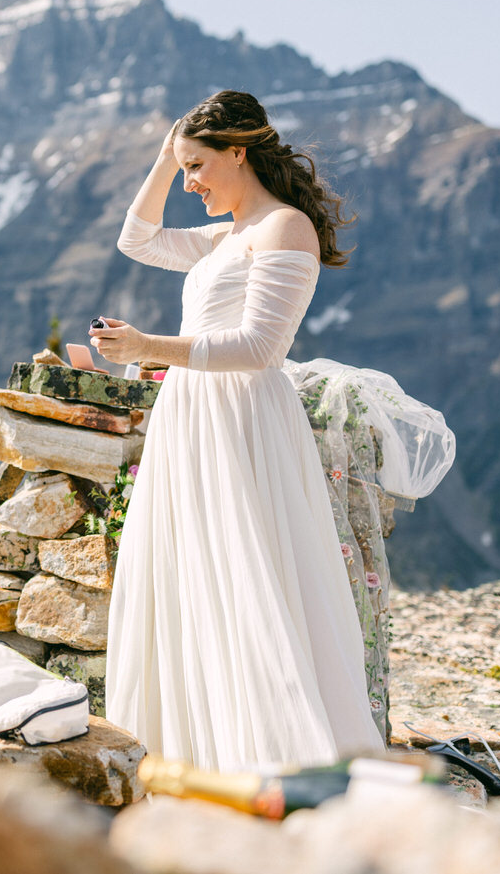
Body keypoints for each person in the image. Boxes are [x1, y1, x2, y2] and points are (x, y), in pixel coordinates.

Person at [94, 90, 384, 773]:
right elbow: (134, 238)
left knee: (249, 578)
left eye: (198, 167)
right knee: (193, 578)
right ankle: (194, 756)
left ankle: (274, 758)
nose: (190, 184)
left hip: (241, 423)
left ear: (239, 151)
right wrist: (166, 158)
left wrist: (147, 345)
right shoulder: (224, 235)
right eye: (184, 169)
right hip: (191, 421)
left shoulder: (284, 229)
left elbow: (260, 348)